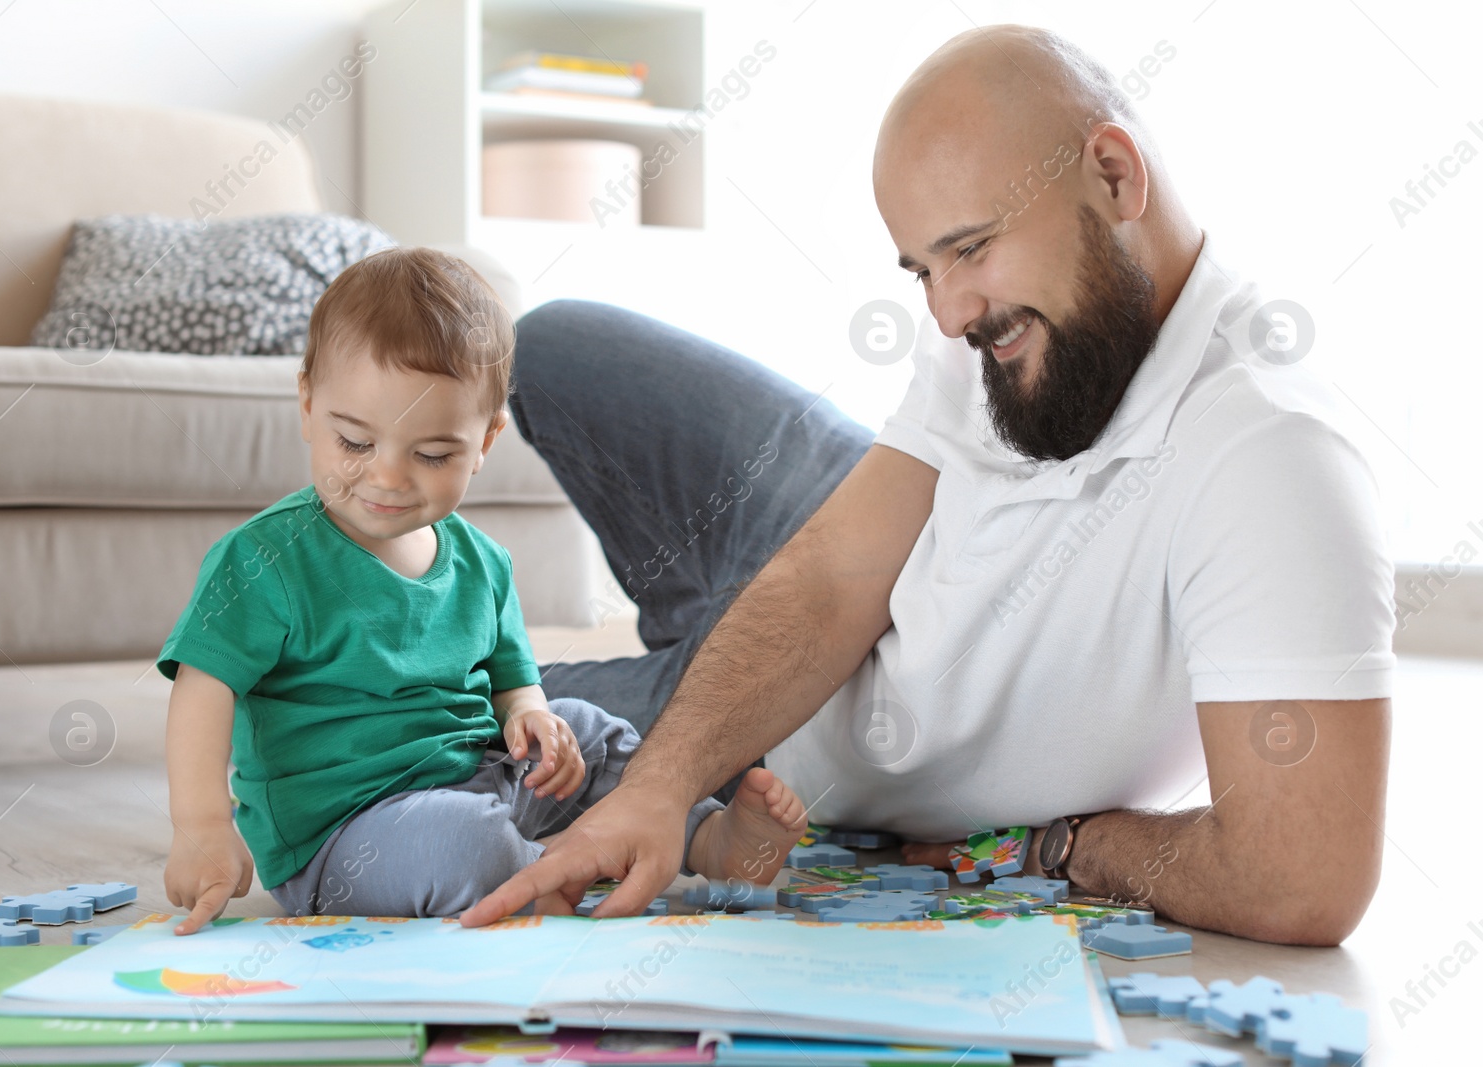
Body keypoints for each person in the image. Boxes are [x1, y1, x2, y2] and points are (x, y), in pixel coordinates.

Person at [460, 26, 1394, 946]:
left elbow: (1299, 878)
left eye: (972, 249)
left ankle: (663, 673)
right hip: (848, 529)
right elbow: (833, 574)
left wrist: (1074, 844)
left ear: (1114, 176)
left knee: (412, 720)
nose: (947, 316)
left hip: (808, 735)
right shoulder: (1009, 314)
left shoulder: (1269, 457)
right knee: (548, 345)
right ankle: (682, 643)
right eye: (923, 270)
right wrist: (661, 785)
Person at [157, 247, 808, 934]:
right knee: (469, 844)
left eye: (433, 455)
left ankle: (706, 837)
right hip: (347, 836)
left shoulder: (482, 561)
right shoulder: (266, 558)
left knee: (590, 729)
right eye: (353, 442)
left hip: (483, 776)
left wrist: (532, 718)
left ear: (488, 438)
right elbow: (203, 686)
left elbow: (512, 681)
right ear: (309, 405)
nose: (387, 477)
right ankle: (546, 864)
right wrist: (201, 823)